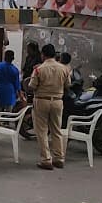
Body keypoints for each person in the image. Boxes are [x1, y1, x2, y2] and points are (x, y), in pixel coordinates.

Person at [29, 42, 70, 170]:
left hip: (41, 100)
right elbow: (68, 85)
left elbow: (32, 86)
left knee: (41, 131)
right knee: (56, 130)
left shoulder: (38, 69)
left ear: (43, 55)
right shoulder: (64, 69)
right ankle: (59, 158)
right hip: (58, 101)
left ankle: (46, 159)